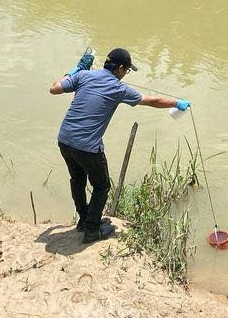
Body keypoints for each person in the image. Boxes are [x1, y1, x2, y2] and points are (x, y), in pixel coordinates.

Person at [50, 47, 190, 243]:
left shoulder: (83, 75)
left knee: (77, 180)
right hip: (87, 147)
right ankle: (91, 230)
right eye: (127, 70)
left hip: (64, 140)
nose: (126, 75)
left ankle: (84, 219)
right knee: (101, 186)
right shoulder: (117, 88)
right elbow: (151, 100)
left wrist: (75, 69)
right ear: (120, 68)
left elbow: (54, 88)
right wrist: (177, 103)